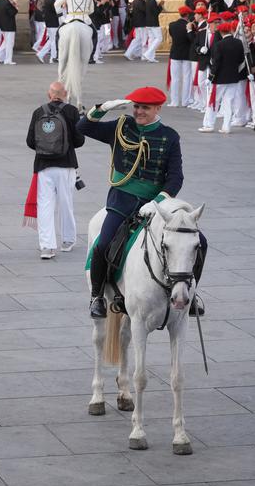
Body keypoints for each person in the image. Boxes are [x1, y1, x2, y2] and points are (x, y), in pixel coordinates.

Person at [77, 86, 205, 319]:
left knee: (200, 241)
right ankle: (97, 296)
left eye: (145, 107)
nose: (138, 111)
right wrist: (102, 108)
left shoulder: (169, 136)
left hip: (155, 204)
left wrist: (157, 200)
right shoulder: (121, 127)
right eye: (136, 106)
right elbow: (83, 127)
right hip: (121, 200)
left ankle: (192, 292)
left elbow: (176, 176)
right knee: (103, 243)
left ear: (157, 108)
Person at [25, 81, 84, 259]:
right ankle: (67, 240)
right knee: (66, 203)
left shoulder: (38, 112)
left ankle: (47, 247)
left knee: (45, 205)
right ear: (65, 94)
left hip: (44, 166)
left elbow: (30, 141)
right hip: (66, 165)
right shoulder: (72, 111)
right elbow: (80, 141)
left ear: (48, 94)